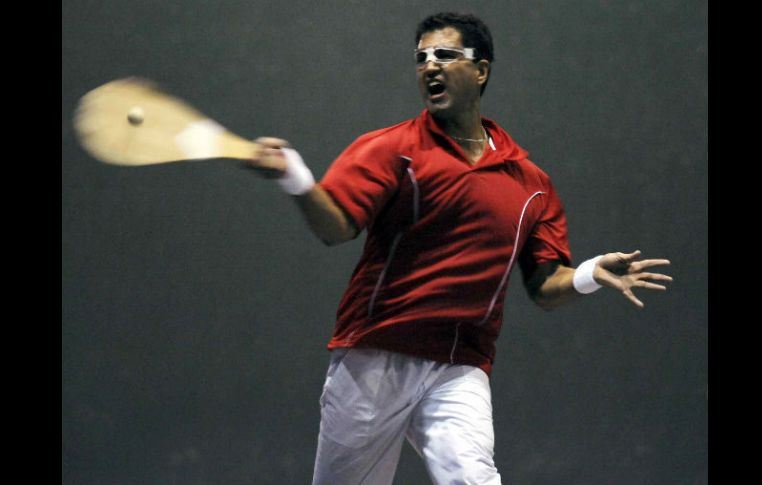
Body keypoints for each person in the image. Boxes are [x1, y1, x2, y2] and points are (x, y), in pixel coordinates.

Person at [246, 11, 672, 485]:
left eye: (445, 55)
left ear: (481, 70)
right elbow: (337, 226)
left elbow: (544, 285)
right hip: (374, 357)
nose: (430, 66)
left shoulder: (532, 185)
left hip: (460, 367)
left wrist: (591, 273)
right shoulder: (391, 150)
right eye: (421, 58)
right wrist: (295, 177)